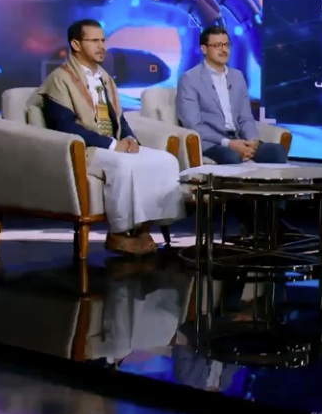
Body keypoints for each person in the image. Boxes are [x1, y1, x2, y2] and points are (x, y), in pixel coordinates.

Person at [38, 19, 183, 255]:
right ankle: (118, 233)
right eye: (94, 41)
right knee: (124, 165)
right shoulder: (60, 79)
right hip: (84, 149)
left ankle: (143, 227)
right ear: (76, 44)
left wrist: (130, 139)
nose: (102, 46)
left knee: (166, 160)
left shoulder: (104, 76)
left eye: (103, 40)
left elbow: (118, 118)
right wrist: (113, 145)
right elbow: (64, 127)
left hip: (111, 144)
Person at [176, 26, 287, 165]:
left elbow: (246, 118)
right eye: (217, 45)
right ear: (204, 49)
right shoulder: (189, 79)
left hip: (239, 138)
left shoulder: (237, 76)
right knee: (232, 157)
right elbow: (194, 124)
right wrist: (229, 143)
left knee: (278, 151)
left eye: (226, 45)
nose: (223, 50)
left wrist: (253, 142)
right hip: (212, 143)